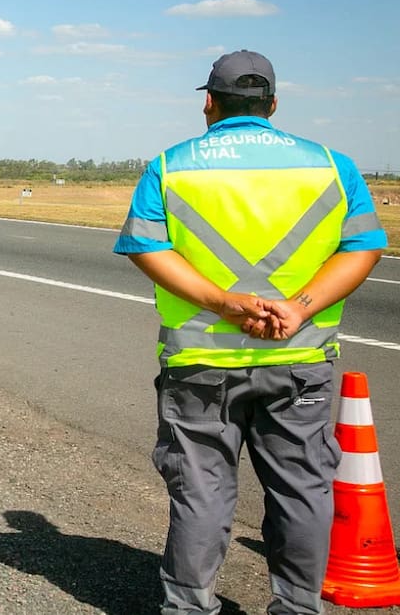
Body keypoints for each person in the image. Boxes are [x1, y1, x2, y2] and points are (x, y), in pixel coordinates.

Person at [114, 50, 386, 614]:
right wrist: (300, 307)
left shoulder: (172, 164)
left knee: (202, 492)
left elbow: (146, 246)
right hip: (300, 356)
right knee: (303, 488)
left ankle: (190, 606)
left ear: (209, 102)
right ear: (273, 105)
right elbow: (363, 246)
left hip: (201, 365)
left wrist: (223, 302)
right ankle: (296, 606)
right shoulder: (332, 165)